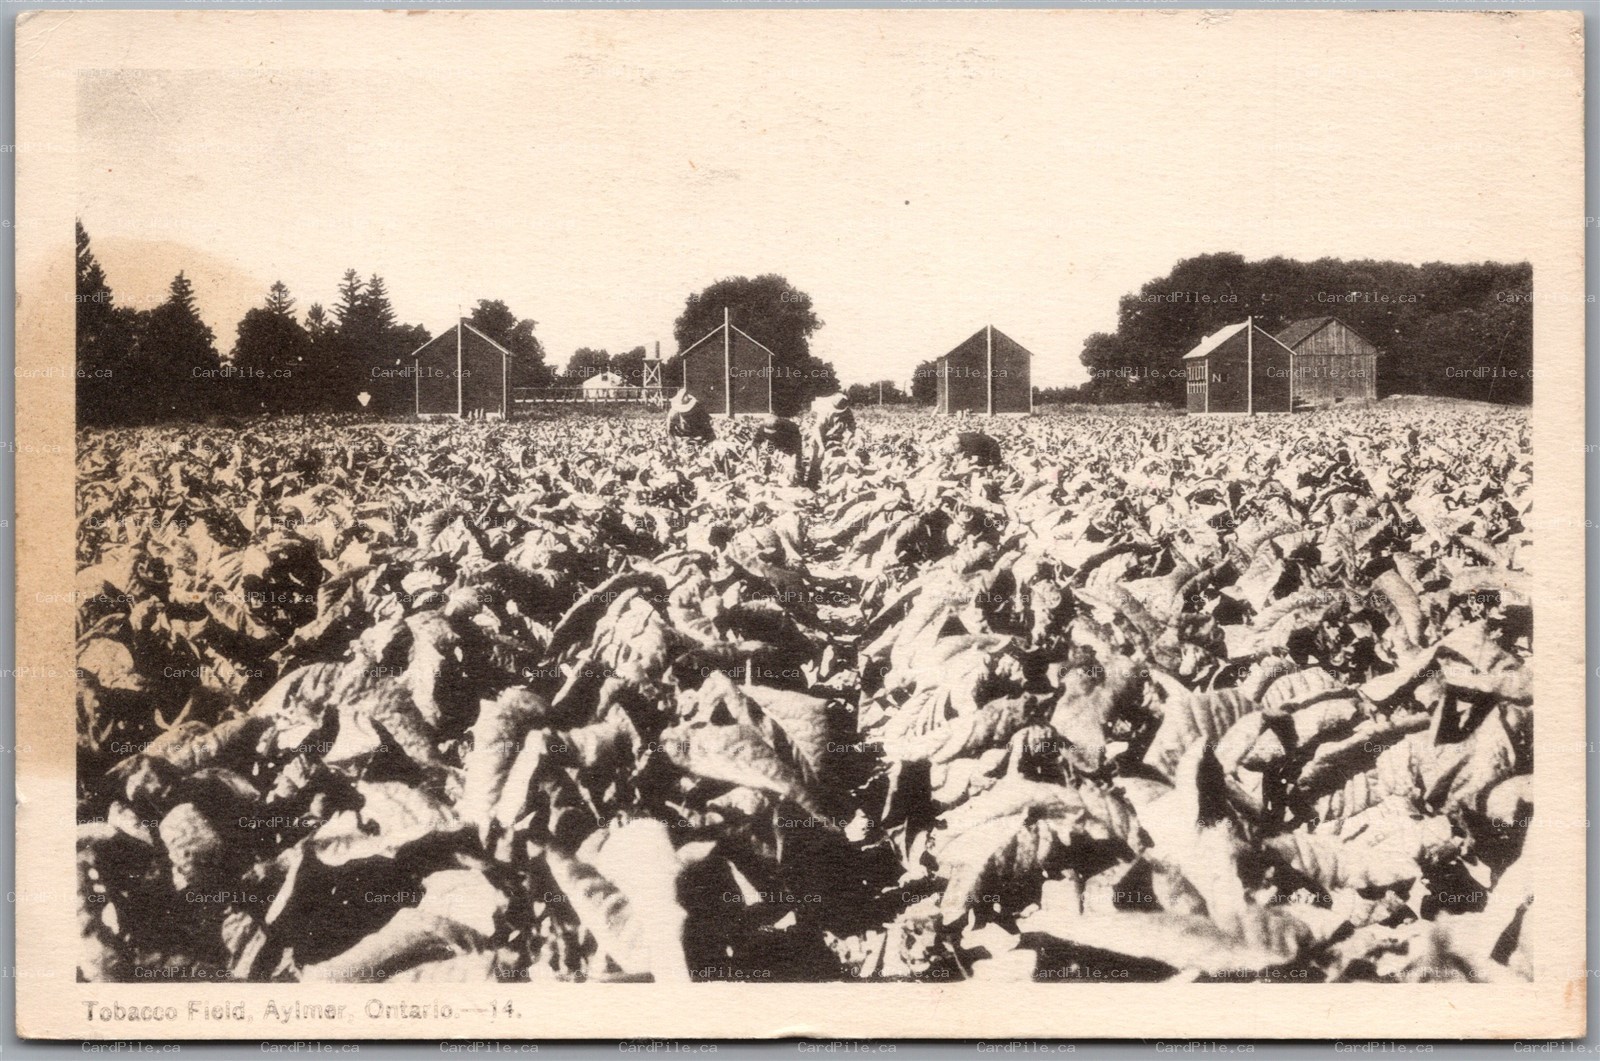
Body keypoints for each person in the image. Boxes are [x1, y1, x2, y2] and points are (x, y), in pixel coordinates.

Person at [804, 391, 856, 487]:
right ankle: (812, 484)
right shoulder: (826, 411)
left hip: (837, 437)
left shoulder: (847, 411)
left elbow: (852, 427)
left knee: (836, 459)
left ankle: (832, 481)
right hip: (820, 437)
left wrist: (846, 440)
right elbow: (816, 429)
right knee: (817, 459)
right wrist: (821, 447)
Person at [753, 414, 804, 483]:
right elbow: (755, 445)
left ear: (778, 428)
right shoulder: (762, 428)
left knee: (794, 467)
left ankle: (797, 477)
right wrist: (755, 462)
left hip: (788, 443)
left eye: (771, 433)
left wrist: (792, 469)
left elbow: (795, 451)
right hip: (772, 442)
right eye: (768, 433)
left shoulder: (791, 428)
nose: (769, 434)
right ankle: (767, 472)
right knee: (770, 454)